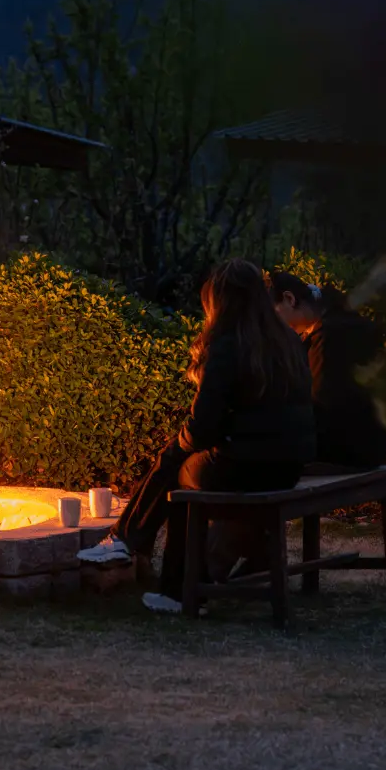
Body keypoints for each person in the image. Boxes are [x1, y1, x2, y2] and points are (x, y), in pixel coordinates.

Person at [99, 259, 316, 613]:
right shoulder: (287, 341)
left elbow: (202, 427)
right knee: (180, 461)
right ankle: (131, 542)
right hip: (287, 467)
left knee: (182, 476)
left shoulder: (227, 344)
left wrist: (182, 444)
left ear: (219, 302)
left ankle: (170, 584)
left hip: (246, 466)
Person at [267, 271, 386, 470]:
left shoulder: (328, 336)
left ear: (289, 299)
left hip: (348, 449)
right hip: (373, 445)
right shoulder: (345, 320)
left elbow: (323, 406)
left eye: (273, 316)